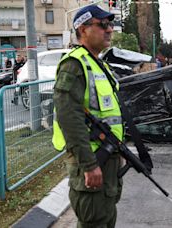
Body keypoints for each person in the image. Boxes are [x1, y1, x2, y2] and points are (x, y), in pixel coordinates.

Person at [52, 5, 122, 228]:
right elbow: (68, 118)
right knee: (94, 221)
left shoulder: (99, 65)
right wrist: (89, 165)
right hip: (92, 160)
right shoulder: (74, 65)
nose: (109, 30)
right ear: (83, 29)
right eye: (103, 25)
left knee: (106, 217)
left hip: (108, 157)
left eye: (110, 24)